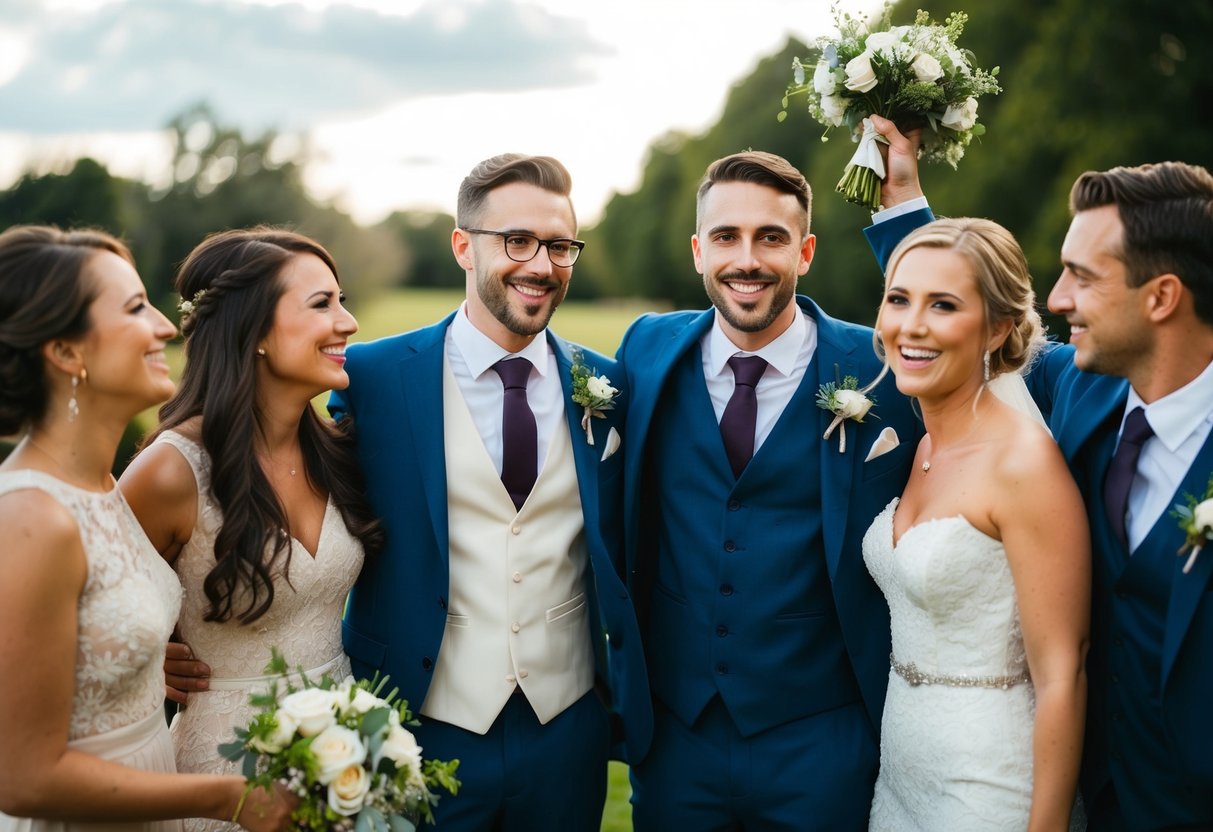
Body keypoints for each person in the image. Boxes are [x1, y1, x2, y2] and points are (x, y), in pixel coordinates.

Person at [866, 115, 1213, 830]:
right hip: (1075, 778)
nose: (1054, 299)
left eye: (1081, 279)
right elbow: (967, 313)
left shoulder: (1037, 441)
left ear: (1160, 297)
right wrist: (901, 202)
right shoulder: (1080, 390)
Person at [327, 153, 651, 831]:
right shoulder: (370, 379)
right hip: (417, 719)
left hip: (565, 729)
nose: (540, 264)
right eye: (516, 241)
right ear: (461, 247)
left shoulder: (610, 386)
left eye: (559, 245)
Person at [615, 151, 921, 830]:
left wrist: (903, 205)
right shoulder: (644, 350)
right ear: (698, 251)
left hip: (821, 739)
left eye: (770, 238)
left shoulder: (879, 367)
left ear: (805, 251)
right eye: (725, 237)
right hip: (675, 739)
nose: (745, 259)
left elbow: (990, 354)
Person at [0, 225, 292, 831]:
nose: (166, 326)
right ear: (66, 352)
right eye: (135, 308)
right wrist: (223, 797)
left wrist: (140, 653)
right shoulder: (31, 516)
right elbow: (22, 779)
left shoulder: (102, 487)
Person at [119, 228, 382, 831]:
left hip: (343, 758)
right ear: (256, 329)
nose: (349, 323)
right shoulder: (172, 471)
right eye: (322, 304)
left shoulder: (337, 451)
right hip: (226, 775)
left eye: (341, 300)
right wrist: (146, 655)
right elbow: (82, 620)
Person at [863, 217, 1089, 830]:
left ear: (997, 329)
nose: (911, 325)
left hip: (989, 786)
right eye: (899, 299)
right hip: (900, 778)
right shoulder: (920, 447)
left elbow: (1062, 677)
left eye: (943, 305)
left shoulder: (1023, 467)